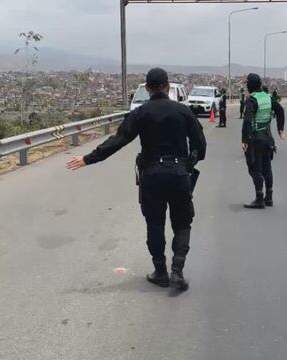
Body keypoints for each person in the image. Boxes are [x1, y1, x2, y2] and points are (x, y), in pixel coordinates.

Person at [66, 68, 206, 292]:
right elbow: (200, 145)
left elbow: (119, 140)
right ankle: (177, 270)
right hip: (179, 175)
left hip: (151, 176)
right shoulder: (183, 111)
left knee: (155, 223)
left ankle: (160, 272)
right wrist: (188, 163)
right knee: (182, 223)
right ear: (168, 86)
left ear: (148, 88)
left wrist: (88, 159)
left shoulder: (141, 113)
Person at [241, 73, 286, 209]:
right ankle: (269, 197)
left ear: (250, 85)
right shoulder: (268, 97)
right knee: (267, 168)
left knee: (255, 169)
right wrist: (280, 129)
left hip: (255, 140)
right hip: (268, 139)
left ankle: (259, 198)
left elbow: (247, 120)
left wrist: (244, 140)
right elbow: (280, 110)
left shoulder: (252, 100)